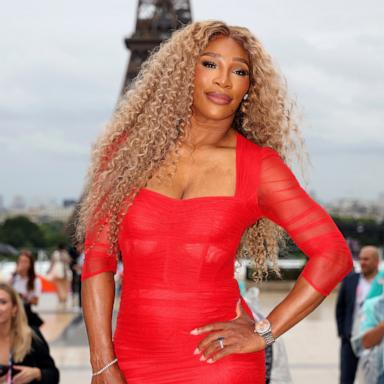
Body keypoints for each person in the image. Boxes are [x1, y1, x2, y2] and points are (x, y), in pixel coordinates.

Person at [78, 21, 353, 383]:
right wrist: (102, 361)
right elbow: (98, 259)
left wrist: (263, 333)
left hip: (218, 364)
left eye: (239, 71)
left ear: (249, 88)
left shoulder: (259, 167)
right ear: (182, 73)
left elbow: (333, 254)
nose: (223, 80)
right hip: (130, 362)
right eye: (210, 64)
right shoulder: (125, 155)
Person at [336, 245, 380, 383]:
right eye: (361, 259)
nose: (362, 262)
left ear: (377, 261)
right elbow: (340, 308)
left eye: (366, 259)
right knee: (346, 378)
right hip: (351, 338)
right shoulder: (350, 280)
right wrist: (343, 333)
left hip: (376, 341)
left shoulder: (381, 282)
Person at [0, 283, 59, 383]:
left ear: (14, 309)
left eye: (3, 302)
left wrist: (37, 373)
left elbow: (53, 375)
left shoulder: (31, 337)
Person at [9, 250, 44, 328]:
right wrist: (14, 274)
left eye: (25, 262)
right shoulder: (14, 278)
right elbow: (5, 291)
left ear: (30, 264)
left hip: (25, 312)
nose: (22, 264)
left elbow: (35, 301)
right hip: (12, 312)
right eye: (20, 261)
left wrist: (23, 297)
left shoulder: (35, 281)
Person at [47, 243, 71, 309]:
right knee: (64, 288)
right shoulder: (65, 253)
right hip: (64, 272)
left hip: (57, 272)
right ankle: (63, 300)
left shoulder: (55, 254)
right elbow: (68, 261)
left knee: (59, 287)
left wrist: (49, 271)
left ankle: (62, 301)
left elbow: (52, 263)